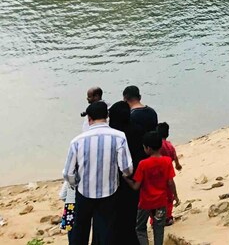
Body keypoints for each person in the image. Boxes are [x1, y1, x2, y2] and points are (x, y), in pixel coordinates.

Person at [63, 102, 133, 245]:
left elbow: (68, 173)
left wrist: (76, 182)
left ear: (89, 119)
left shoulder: (77, 141)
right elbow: (127, 169)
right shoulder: (119, 137)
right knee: (106, 232)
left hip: (84, 192)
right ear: (107, 117)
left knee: (80, 231)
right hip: (110, 192)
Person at [127, 132, 178, 245]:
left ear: (148, 148)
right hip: (161, 202)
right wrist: (175, 195)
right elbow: (170, 182)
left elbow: (136, 186)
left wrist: (126, 179)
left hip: (145, 203)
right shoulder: (167, 161)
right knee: (159, 228)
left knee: (140, 228)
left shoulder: (143, 164)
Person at [109, 101, 143, 244]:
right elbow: (142, 155)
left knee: (113, 215)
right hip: (133, 179)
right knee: (130, 214)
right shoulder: (138, 130)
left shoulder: (112, 133)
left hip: (113, 180)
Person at [156, 123, 181, 225]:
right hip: (168, 172)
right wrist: (178, 165)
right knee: (169, 197)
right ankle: (168, 217)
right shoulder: (169, 145)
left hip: (157, 174)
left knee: (157, 196)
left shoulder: (156, 145)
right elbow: (174, 156)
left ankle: (156, 219)